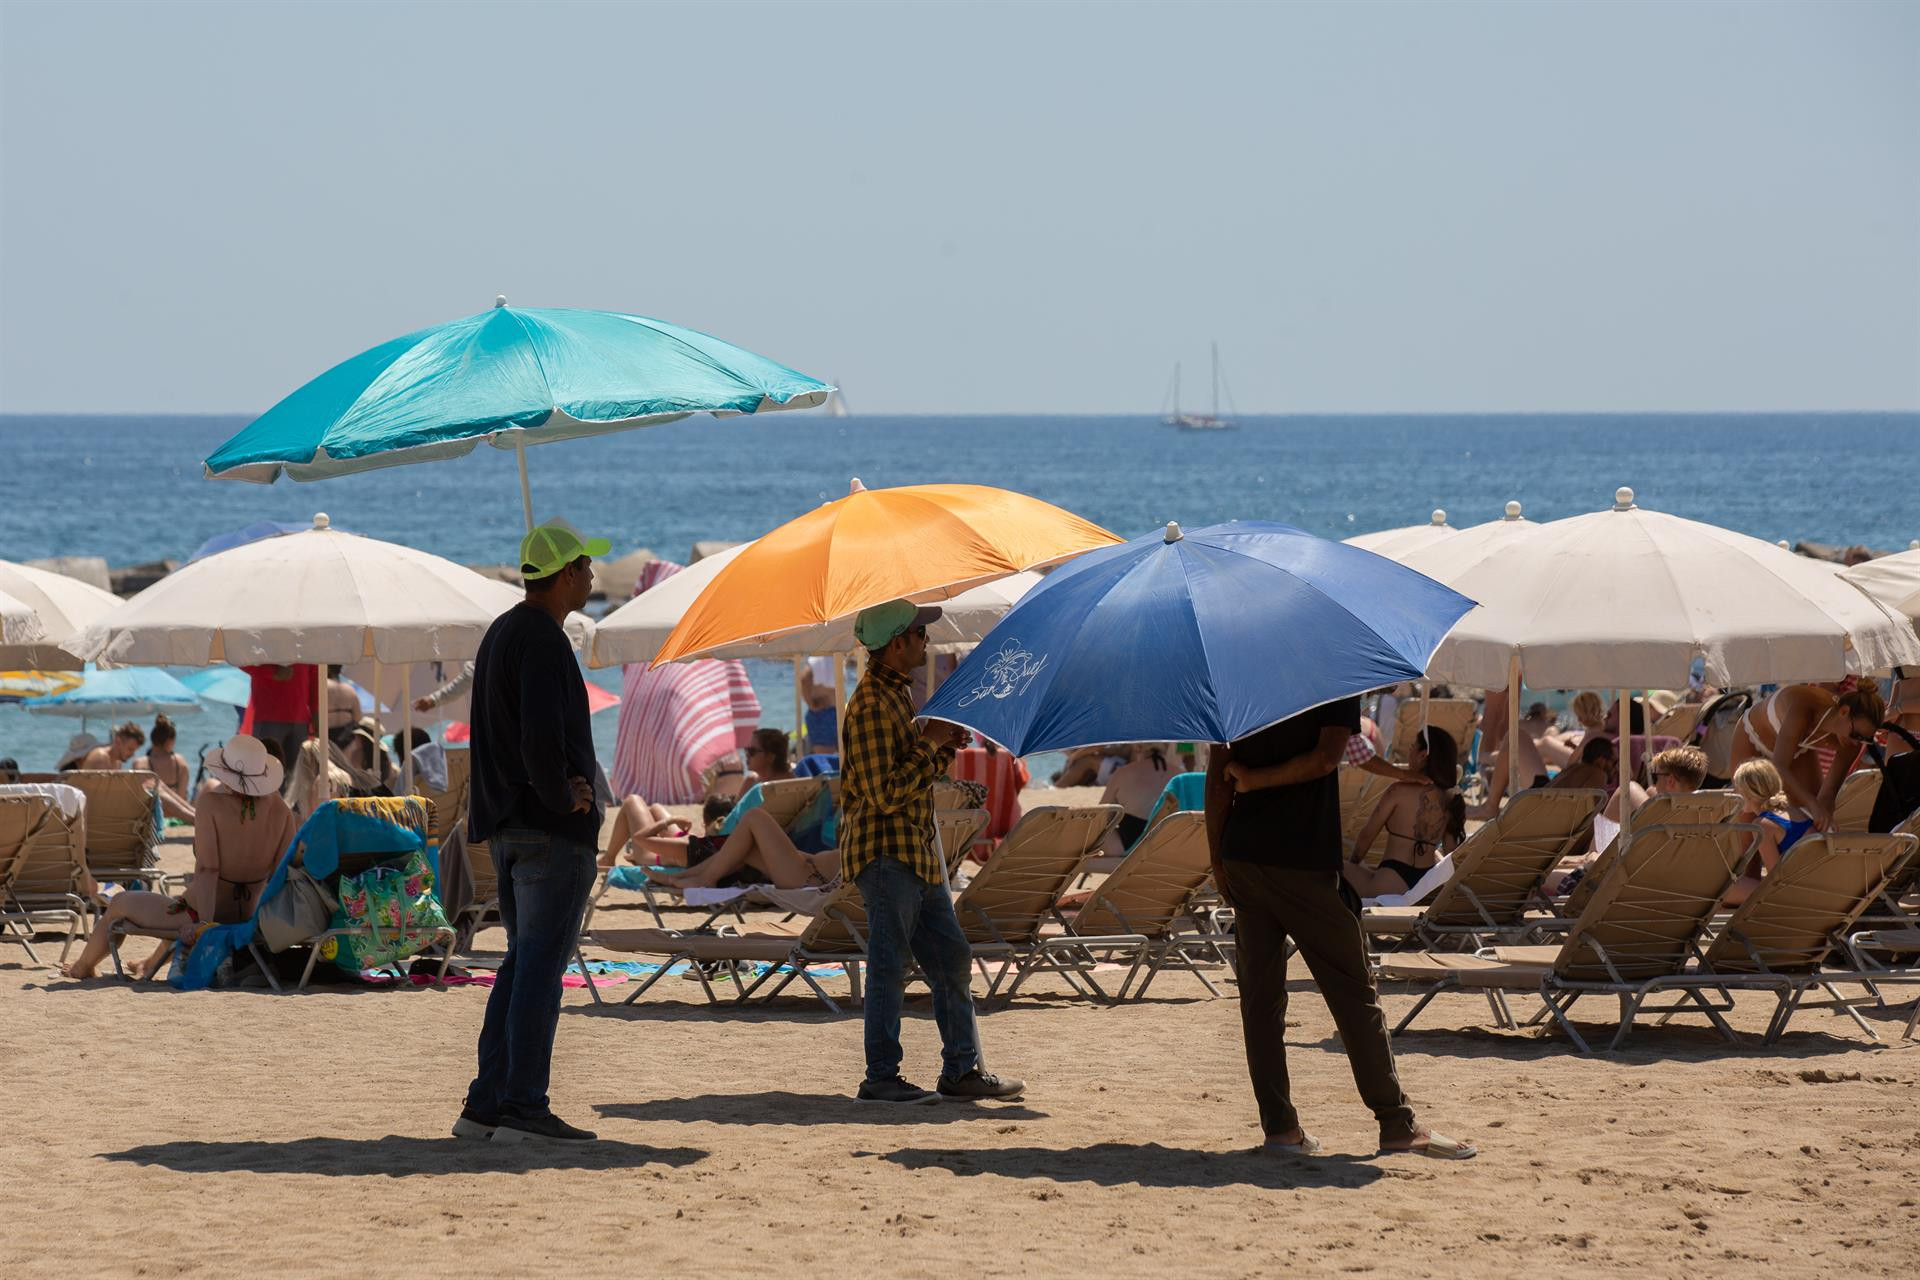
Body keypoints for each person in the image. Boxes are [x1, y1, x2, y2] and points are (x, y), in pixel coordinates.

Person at [1207, 696, 1476, 1160]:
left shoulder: (1233, 674)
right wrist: (1255, 782)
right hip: (1301, 858)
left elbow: (1218, 775)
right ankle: (1396, 1124)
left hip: (1243, 852)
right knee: (1353, 992)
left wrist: (1218, 859)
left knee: (1260, 999)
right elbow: (1326, 757)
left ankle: (1281, 1130)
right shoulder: (1331, 669)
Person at [457, 520, 609, 1145]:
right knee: (540, 971)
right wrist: (562, 794)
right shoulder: (544, 639)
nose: (594, 577)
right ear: (567, 573)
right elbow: (540, 735)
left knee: (522, 967)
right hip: (548, 830)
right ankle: (522, 1106)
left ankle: (485, 1105)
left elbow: (506, 735)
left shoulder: (501, 632)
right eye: (587, 568)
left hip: (509, 826)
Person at [840, 598, 1022, 1105]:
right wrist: (931, 743)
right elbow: (885, 793)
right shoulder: (875, 703)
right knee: (889, 965)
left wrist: (938, 744)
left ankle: (960, 1070)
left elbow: (908, 779)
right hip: (888, 855)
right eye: (919, 634)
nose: (926, 641)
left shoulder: (894, 698)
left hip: (912, 854)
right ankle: (881, 1076)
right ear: (896, 644)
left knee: (950, 958)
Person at [62, 735, 295, 980]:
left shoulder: (211, 804)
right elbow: (280, 875)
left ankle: (82, 967)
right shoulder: (283, 812)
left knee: (119, 903)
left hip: (200, 913)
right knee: (169, 902)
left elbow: (208, 870)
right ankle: (149, 964)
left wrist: (203, 926)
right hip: (248, 916)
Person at [1731, 683, 1884, 832]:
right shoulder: (1805, 707)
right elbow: (1778, 766)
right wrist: (1813, 804)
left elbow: (1828, 794)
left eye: (1865, 739)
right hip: (1752, 737)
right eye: (1855, 734)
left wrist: (1825, 821)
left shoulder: (1852, 743)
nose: (1856, 742)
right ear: (1844, 711)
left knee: (1808, 824)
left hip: (1796, 750)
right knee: (1749, 831)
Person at [1340, 728, 1465, 899]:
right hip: (1426, 884)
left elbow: (1366, 836)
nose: (1409, 750)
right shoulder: (1450, 797)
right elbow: (1451, 851)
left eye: (1413, 746)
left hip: (1391, 880)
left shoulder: (1398, 791)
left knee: (1331, 870)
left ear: (1422, 755)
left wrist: (1355, 864)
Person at [642, 804, 839, 891]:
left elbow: (640, 838)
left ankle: (704, 878)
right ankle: (676, 878)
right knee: (745, 849)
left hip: (806, 876)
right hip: (806, 869)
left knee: (755, 816)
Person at [1723, 759, 1802, 906]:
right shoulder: (1798, 813)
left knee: (1722, 889)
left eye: (1737, 788)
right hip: (1812, 889)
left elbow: (1775, 879)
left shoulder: (1762, 826)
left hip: (1790, 896)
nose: (1734, 792)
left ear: (1749, 794)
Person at [1097, 744, 1177, 855]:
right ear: (1168, 747)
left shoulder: (1123, 773)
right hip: (1167, 848)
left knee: (1101, 827)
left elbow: (1101, 818)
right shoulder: (1181, 776)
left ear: (1138, 747)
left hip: (1126, 849)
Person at [242, 663, 317, 778]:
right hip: (269, 717)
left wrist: (316, 713)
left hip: (299, 719)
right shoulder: (262, 644)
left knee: (297, 776)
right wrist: (272, 672)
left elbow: (314, 677)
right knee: (265, 773)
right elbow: (242, 661)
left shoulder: (309, 646)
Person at [132, 715, 196, 823]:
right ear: (169, 741)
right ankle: (196, 816)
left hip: (155, 815)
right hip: (177, 814)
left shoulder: (141, 763)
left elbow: (142, 802)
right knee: (156, 787)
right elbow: (182, 796)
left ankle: (196, 816)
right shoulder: (180, 761)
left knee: (157, 786)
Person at [80, 722, 145, 770]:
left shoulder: (118, 762)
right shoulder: (101, 757)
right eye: (130, 749)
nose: (132, 754)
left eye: (134, 750)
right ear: (118, 742)